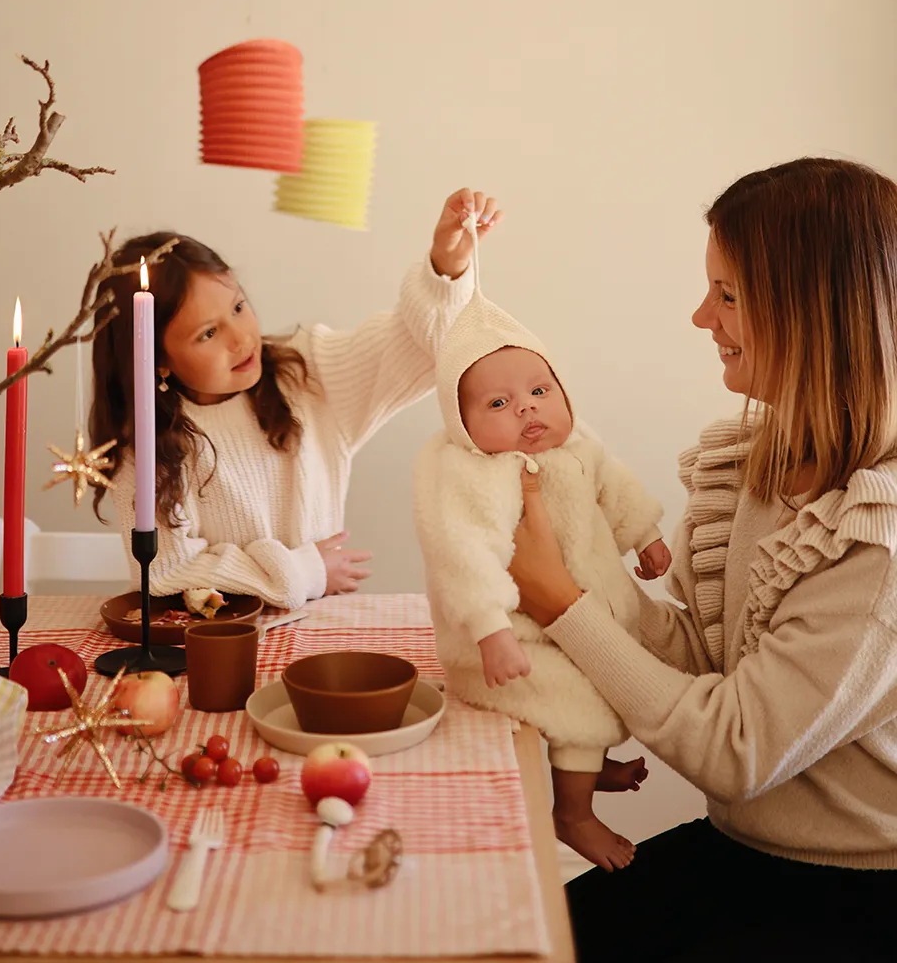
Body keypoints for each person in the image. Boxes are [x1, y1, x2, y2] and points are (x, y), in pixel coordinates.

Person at [508, 157, 897, 962]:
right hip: (750, 850)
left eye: (728, 295)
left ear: (814, 313)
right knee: (520, 929)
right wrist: (576, 572)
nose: (700, 317)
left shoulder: (878, 542)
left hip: (850, 892)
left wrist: (564, 606)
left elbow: (735, 747)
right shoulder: (768, 460)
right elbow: (707, 652)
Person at [89, 189, 502, 608]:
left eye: (238, 307)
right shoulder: (149, 445)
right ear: (157, 359)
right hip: (214, 639)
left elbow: (427, 347)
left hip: (321, 625)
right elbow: (165, 571)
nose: (241, 339)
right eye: (208, 333)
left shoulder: (308, 374)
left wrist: (448, 265)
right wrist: (303, 571)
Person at [412, 215, 670, 870]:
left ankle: (586, 762)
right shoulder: (473, 475)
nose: (526, 407)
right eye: (498, 404)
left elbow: (615, 485)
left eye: (538, 390)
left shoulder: (579, 446)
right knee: (578, 698)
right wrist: (489, 627)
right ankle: (572, 812)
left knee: (616, 669)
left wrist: (643, 533)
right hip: (514, 636)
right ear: (462, 424)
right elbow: (461, 551)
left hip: (578, 612)